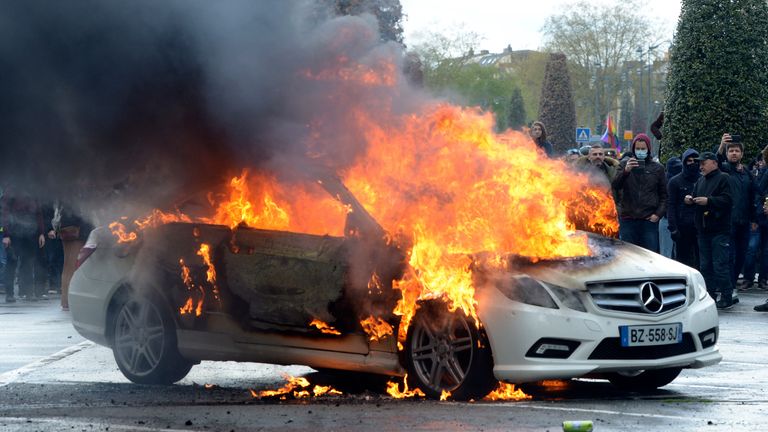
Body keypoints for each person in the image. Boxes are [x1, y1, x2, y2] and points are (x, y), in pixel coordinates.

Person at [686, 151, 734, 309]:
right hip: (703, 230)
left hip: (719, 229)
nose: (700, 166)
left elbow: (728, 200)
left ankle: (727, 296)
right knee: (705, 266)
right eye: (699, 163)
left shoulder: (724, 178)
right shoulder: (700, 181)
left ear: (714, 163)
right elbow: (694, 196)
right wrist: (689, 199)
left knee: (720, 265)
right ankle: (710, 295)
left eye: (703, 163)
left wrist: (709, 201)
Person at [612, 133, 668, 253]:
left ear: (648, 149)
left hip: (648, 220)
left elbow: (664, 195)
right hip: (628, 219)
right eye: (638, 148)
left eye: (643, 149)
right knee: (628, 255)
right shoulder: (623, 165)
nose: (640, 151)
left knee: (649, 256)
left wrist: (658, 214)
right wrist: (626, 171)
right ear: (633, 149)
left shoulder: (657, 168)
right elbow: (615, 185)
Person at [716, 133, 755, 291]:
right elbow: (715, 162)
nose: (734, 153)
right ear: (727, 153)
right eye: (730, 150)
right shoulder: (724, 169)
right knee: (729, 256)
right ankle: (728, 286)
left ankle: (732, 283)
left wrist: (754, 220)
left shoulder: (747, 173)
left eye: (736, 151)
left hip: (744, 222)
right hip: (728, 221)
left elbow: (753, 196)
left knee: (741, 255)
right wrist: (721, 145)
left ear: (741, 154)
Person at [1, 186, 46, 302]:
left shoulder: (33, 190)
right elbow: (4, 213)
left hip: (31, 233)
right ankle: (9, 294)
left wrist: (41, 233)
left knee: (28, 263)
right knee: (11, 263)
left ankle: (28, 292)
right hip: (14, 233)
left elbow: (38, 213)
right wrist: (6, 234)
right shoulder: (10, 190)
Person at [53, 202, 92, 311]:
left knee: (67, 267)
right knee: (72, 267)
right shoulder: (77, 193)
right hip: (76, 231)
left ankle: (65, 301)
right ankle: (68, 301)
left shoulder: (66, 192)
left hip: (66, 229)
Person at [667, 149, 701, 269]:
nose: (692, 163)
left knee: (701, 261)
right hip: (683, 227)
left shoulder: (703, 179)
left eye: (695, 161)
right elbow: (670, 205)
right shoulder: (675, 181)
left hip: (700, 226)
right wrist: (673, 228)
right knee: (682, 261)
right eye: (689, 161)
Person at [660, 157, 682, 259]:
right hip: (668, 218)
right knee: (668, 253)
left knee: (666, 253)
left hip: (670, 218)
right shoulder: (665, 180)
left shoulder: (664, 178)